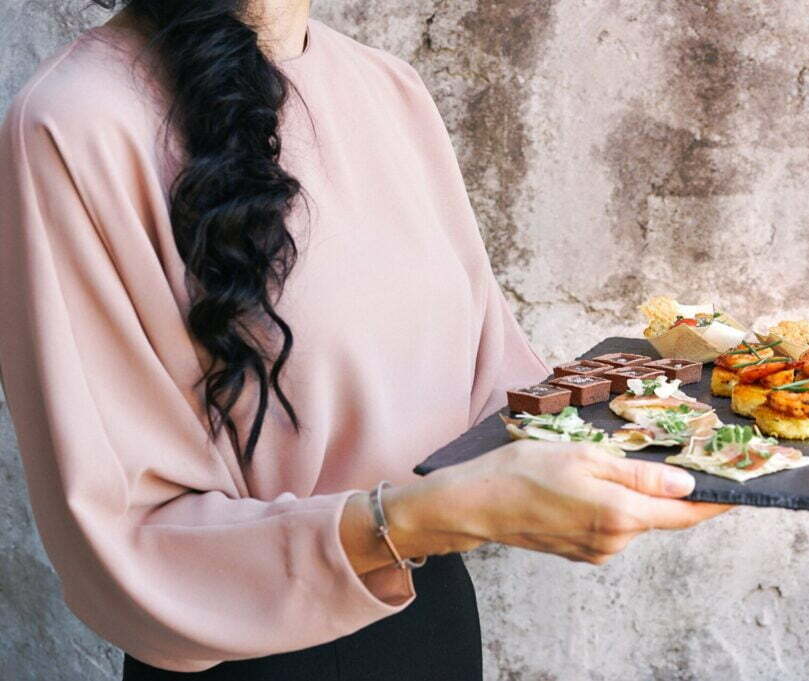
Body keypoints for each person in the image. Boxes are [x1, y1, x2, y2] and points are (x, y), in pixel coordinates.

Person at [0, 2, 739, 679]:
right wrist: (432, 514)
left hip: (434, 630)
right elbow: (126, 539)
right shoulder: (75, 123)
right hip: (249, 661)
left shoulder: (390, 89)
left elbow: (490, 403)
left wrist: (698, 407)